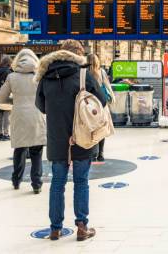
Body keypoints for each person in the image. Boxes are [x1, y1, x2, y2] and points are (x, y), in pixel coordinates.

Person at [35, 40, 106, 241]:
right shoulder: (84, 75)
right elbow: (102, 100)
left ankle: (55, 229)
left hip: (57, 138)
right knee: (81, 182)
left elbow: (40, 105)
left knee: (57, 183)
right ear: (78, 54)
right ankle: (82, 227)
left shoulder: (45, 76)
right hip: (82, 137)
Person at [0, 49, 46, 193]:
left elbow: (0, 98)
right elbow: (46, 97)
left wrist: (15, 101)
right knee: (36, 152)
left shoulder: (12, 77)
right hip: (36, 116)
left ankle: (16, 180)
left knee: (20, 149)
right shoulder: (39, 76)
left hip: (19, 116)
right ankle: (36, 184)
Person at [86, 53, 114, 162]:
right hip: (102, 104)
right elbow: (107, 86)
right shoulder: (101, 72)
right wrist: (111, 98)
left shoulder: (84, 73)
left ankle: (93, 154)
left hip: (89, 106)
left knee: (92, 128)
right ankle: (101, 154)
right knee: (102, 129)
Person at [0, 56, 12, 141]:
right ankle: (6, 134)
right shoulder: (9, 72)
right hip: (7, 94)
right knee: (6, 115)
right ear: (9, 63)